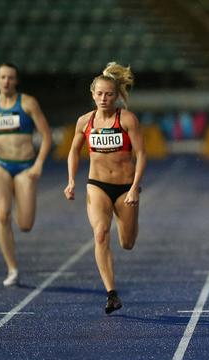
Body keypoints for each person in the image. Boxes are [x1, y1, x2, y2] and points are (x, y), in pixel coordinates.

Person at [64, 62, 146, 314]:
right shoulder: (84, 122)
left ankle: (129, 221)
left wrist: (134, 188)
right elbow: (73, 152)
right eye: (99, 93)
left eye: (109, 94)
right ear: (92, 94)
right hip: (96, 185)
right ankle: (112, 294)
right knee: (100, 234)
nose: (103, 98)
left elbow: (142, 154)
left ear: (116, 95)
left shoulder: (127, 119)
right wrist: (71, 180)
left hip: (124, 188)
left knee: (127, 242)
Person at [0, 63, 52, 287]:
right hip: (0, 165)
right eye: (3, 77)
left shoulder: (28, 103)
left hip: (25, 167)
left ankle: (14, 262)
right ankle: (12, 268)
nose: (6, 81)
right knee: (2, 215)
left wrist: (38, 164)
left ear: (16, 81)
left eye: (11, 78)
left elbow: (47, 136)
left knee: (25, 224)